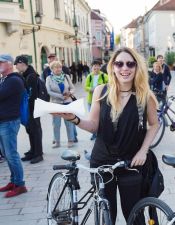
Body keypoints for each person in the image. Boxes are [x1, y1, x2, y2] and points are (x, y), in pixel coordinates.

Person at [53, 47, 159, 224]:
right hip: (102, 161)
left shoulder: (144, 95)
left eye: (130, 64)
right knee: (106, 215)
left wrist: (143, 151)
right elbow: (94, 126)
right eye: (119, 63)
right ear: (113, 67)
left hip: (131, 162)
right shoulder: (101, 91)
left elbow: (154, 124)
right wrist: (73, 119)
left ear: (136, 67)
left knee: (134, 215)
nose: (125, 68)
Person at [0, 54, 28, 197]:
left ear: (10, 64)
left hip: (9, 122)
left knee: (11, 154)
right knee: (6, 153)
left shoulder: (14, 80)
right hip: (3, 121)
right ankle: (14, 181)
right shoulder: (4, 79)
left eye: (1, 62)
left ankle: (20, 184)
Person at [14, 55, 44, 164]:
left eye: (16, 65)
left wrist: (30, 110)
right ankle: (33, 151)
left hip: (33, 108)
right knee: (30, 130)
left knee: (35, 130)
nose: (16, 67)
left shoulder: (31, 76)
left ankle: (38, 154)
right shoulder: (26, 74)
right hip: (31, 108)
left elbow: (32, 95)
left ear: (22, 63)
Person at [46, 61, 76, 148]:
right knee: (56, 124)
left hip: (67, 102)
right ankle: (57, 142)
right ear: (52, 69)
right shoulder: (49, 78)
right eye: (56, 67)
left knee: (69, 122)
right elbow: (48, 91)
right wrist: (61, 97)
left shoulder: (66, 77)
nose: (58, 69)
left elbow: (73, 88)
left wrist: (69, 93)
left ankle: (70, 140)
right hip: (55, 103)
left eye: (60, 67)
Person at [85, 59, 109, 140]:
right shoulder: (89, 76)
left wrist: (101, 86)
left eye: (98, 65)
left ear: (100, 67)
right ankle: (94, 134)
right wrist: (92, 89)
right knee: (92, 119)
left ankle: (101, 133)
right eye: (94, 66)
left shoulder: (104, 75)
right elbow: (86, 87)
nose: (96, 67)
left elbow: (110, 84)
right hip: (91, 100)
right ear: (92, 67)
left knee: (101, 118)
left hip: (101, 100)